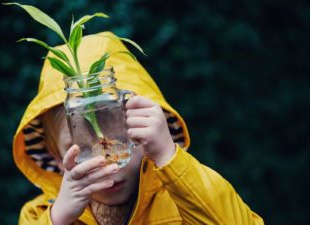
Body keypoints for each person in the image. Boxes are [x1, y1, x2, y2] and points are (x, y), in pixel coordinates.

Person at [13, 31, 264, 224]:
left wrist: (168, 156)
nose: (107, 164)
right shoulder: (39, 214)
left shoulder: (184, 198)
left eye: (119, 139)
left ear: (148, 134)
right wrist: (58, 219)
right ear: (55, 158)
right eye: (80, 149)